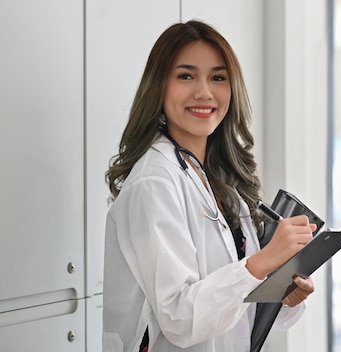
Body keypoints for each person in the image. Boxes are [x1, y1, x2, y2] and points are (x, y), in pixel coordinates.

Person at [103, 20, 316, 352]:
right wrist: (263, 263)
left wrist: (281, 290)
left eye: (218, 78)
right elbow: (179, 318)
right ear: (159, 86)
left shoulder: (220, 181)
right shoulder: (154, 182)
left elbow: (233, 301)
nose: (204, 92)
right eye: (186, 76)